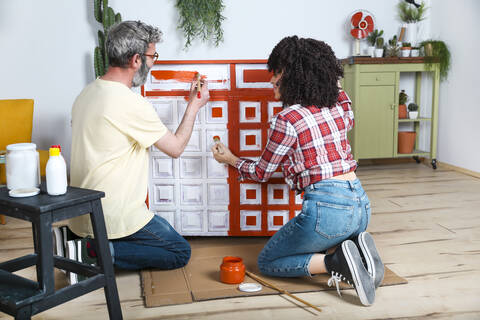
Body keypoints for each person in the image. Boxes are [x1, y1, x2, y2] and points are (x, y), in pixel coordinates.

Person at [211, 36, 383, 306]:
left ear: (291, 75)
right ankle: (357, 249)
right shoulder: (340, 103)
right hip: (361, 206)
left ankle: (337, 262)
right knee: (331, 237)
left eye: (276, 73)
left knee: (268, 261)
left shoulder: (288, 119)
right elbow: (337, 85)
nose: (271, 81)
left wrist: (231, 159)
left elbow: (261, 173)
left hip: (328, 212)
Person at [58, 20, 209, 281]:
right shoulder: (130, 103)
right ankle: (90, 251)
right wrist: (194, 107)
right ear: (137, 60)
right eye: (153, 56)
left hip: (82, 213)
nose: (154, 63)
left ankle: (73, 240)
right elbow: (175, 148)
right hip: (113, 215)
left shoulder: (87, 93)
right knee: (178, 251)